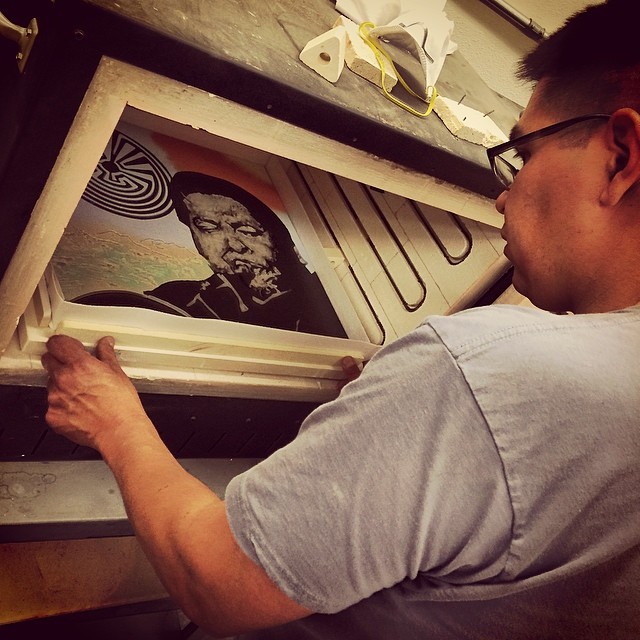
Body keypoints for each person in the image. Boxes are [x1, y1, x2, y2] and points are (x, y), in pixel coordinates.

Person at [40, 1, 640, 638]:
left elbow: (217, 581)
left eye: (522, 155)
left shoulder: (486, 374)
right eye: (205, 228)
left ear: (621, 157)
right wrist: (404, 421)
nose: (502, 195)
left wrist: (116, 422)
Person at [74, 172, 347, 338]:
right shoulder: (181, 298)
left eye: (248, 230)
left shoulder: (333, 299)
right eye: (207, 228)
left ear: (283, 241)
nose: (232, 245)